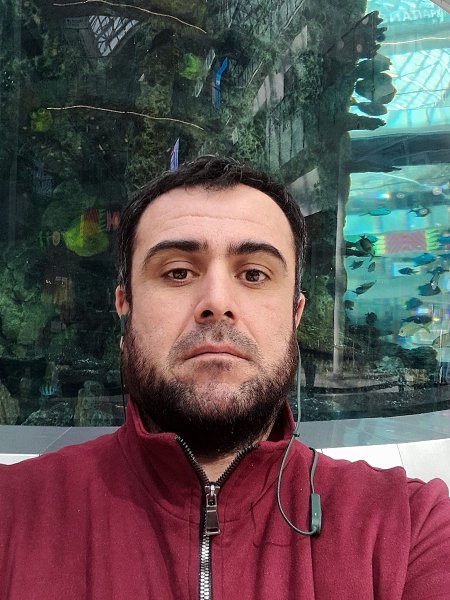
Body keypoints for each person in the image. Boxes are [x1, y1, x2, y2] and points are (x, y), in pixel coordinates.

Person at [1, 155, 449, 599]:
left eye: (254, 274)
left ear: (296, 314)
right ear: (125, 305)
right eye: (178, 272)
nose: (217, 301)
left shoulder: (411, 527)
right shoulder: (12, 513)